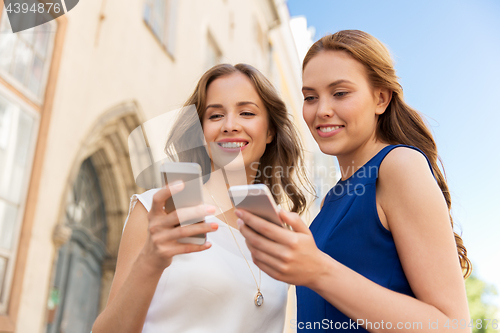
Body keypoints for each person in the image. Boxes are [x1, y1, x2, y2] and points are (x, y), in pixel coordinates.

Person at [237, 30, 472, 332]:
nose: (321, 110)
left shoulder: (399, 165)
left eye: (340, 93)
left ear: (381, 98)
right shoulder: (330, 201)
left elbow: (453, 327)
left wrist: (318, 271)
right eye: (310, 97)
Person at [91, 63, 312, 333]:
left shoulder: (277, 229)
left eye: (246, 112)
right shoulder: (157, 210)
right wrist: (150, 260)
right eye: (216, 115)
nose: (230, 125)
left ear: (270, 132)